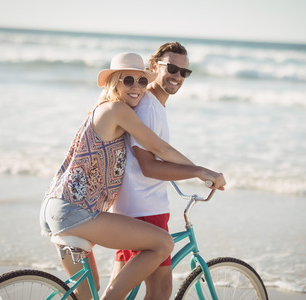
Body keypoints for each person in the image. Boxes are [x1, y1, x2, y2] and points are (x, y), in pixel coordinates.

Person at [39, 52, 211, 300]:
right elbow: (159, 148)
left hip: (55, 208)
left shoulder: (102, 110)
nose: (137, 88)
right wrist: (201, 171)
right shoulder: (118, 109)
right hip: (75, 211)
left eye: (142, 81)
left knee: (87, 294)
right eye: (128, 80)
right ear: (114, 82)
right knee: (163, 244)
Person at [110, 42, 226, 299]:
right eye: (172, 68)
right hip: (144, 210)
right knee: (160, 291)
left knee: (123, 291)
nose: (177, 76)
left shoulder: (151, 104)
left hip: (132, 207)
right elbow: (149, 166)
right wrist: (199, 172)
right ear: (154, 66)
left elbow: (159, 153)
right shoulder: (149, 107)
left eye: (184, 72)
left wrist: (198, 170)